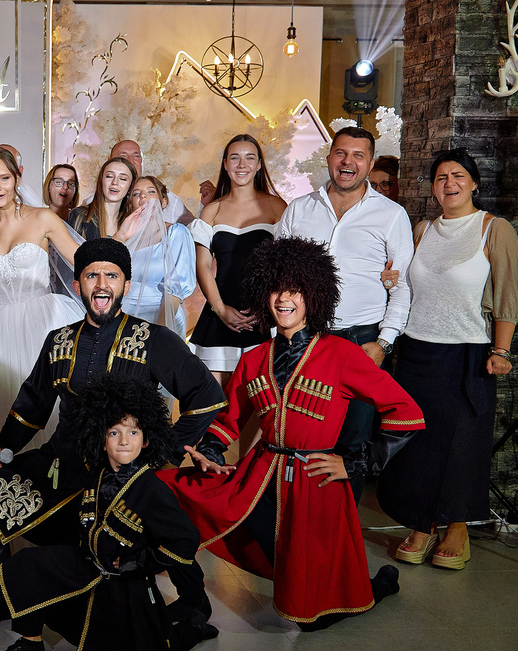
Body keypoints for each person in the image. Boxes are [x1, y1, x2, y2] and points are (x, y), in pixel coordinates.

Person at [0, 238, 226, 636]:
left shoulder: (153, 339)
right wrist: (3, 446)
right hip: (60, 467)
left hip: (119, 480)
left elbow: (207, 396)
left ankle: (192, 603)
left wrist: (162, 455)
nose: (102, 284)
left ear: (126, 284)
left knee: (162, 522)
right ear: (78, 283)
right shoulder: (58, 340)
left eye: (111, 276)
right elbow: (31, 406)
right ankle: (3, 596)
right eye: (91, 275)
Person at [160, 237, 424, 630]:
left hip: (315, 483)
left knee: (310, 619)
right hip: (260, 480)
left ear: (314, 295)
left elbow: (407, 413)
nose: (284, 299)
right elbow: (229, 420)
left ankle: (379, 585)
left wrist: (355, 462)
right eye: (275, 290)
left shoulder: (342, 354)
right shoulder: (253, 358)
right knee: (167, 487)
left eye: (295, 290)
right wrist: (211, 452)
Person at [378, 149, 518, 570]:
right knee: (417, 443)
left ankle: (457, 527)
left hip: (468, 352)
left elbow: (509, 294)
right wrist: (391, 281)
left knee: (462, 443)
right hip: (416, 350)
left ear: (474, 183)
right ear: (434, 188)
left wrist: (501, 351)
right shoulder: (422, 229)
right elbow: (410, 286)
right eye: (441, 177)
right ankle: (422, 524)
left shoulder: (494, 228)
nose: (449, 183)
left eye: (458, 176)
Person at [0, 374, 205, 651]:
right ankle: (31, 642)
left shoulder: (152, 489)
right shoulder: (98, 474)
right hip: (89, 568)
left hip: (126, 587)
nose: (124, 441)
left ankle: (195, 628)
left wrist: (137, 563)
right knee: (26, 564)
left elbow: (186, 540)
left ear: (146, 440)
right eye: (114, 432)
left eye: (133, 432)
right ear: (102, 438)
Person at [275, 126, 414, 502]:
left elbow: (402, 286)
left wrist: (383, 343)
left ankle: (341, 530)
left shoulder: (391, 215)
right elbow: (278, 274)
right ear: (329, 157)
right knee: (300, 437)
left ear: (370, 163)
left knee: (350, 445)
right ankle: (298, 522)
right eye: (341, 153)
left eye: (358, 155)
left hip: (361, 341)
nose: (347, 162)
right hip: (305, 340)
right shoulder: (299, 208)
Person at [0, 148, 83, 458]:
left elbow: (83, 262)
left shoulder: (42, 218)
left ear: (17, 178)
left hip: (44, 320)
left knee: (45, 404)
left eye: (4, 178)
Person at [190, 134, 286, 383]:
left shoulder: (277, 207)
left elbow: (287, 265)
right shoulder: (211, 211)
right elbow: (202, 265)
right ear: (225, 164)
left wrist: (267, 307)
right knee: (215, 401)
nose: (242, 164)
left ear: (259, 165)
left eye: (249, 158)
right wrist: (220, 308)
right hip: (218, 317)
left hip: (265, 318)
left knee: (261, 400)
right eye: (235, 158)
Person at [115, 175, 196, 337]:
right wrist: (120, 237)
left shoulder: (176, 232)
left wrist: (158, 332)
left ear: (163, 201)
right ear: (131, 203)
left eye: (150, 191)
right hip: (121, 316)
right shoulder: (126, 238)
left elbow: (175, 290)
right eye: (136, 193)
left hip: (160, 315)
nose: (142, 196)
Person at [109, 139, 194, 226]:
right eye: (123, 156)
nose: (130, 161)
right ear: (109, 161)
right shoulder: (103, 196)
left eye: (136, 156)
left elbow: (193, 228)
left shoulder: (164, 196)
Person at [67, 157, 137, 241]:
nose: (115, 182)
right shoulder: (79, 216)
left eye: (123, 179)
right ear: (101, 180)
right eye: (109, 176)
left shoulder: (132, 223)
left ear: (131, 186)